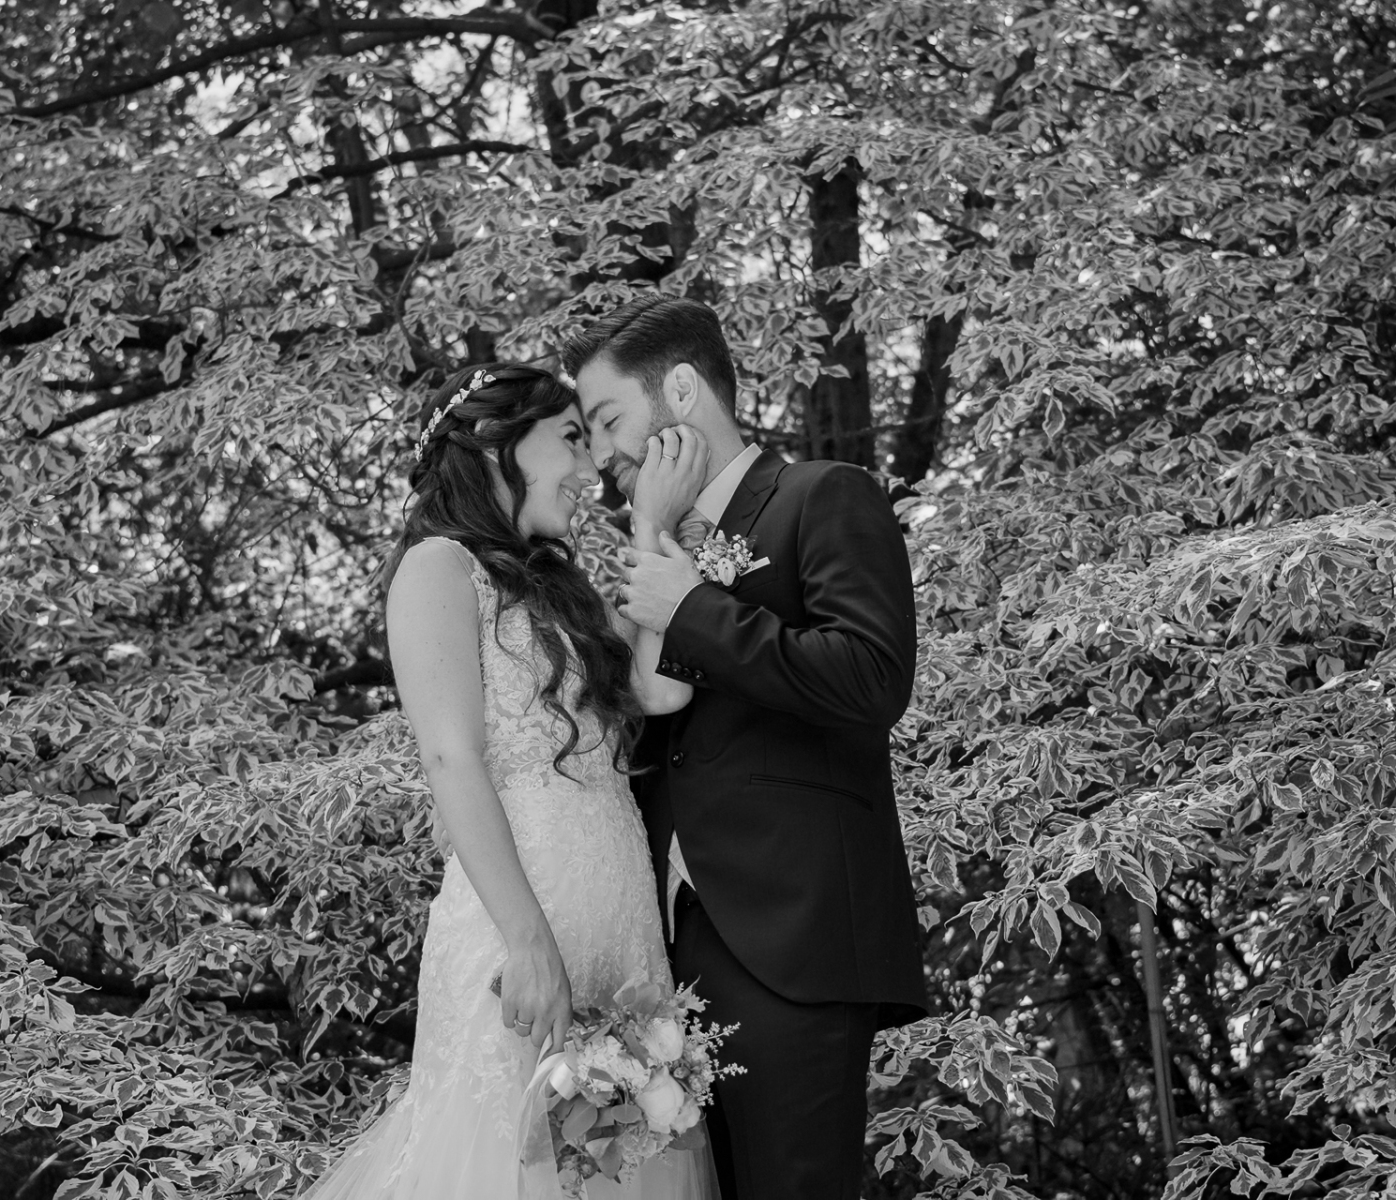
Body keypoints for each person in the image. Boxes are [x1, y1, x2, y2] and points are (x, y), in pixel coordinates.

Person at [300, 363, 717, 1200]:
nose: (590, 468)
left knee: (615, 1173)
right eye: (570, 438)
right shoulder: (437, 569)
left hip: (620, 927)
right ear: (498, 442)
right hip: (518, 927)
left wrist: (650, 525)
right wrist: (530, 943)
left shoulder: (559, 588)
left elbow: (661, 690)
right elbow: (451, 759)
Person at [563, 296, 929, 1200]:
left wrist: (693, 608)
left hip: (793, 934)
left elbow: (871, 679)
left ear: (682, 391)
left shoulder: (823, 496)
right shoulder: (645, 549)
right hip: (661, 957)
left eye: (608, 419)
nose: (600, 454)